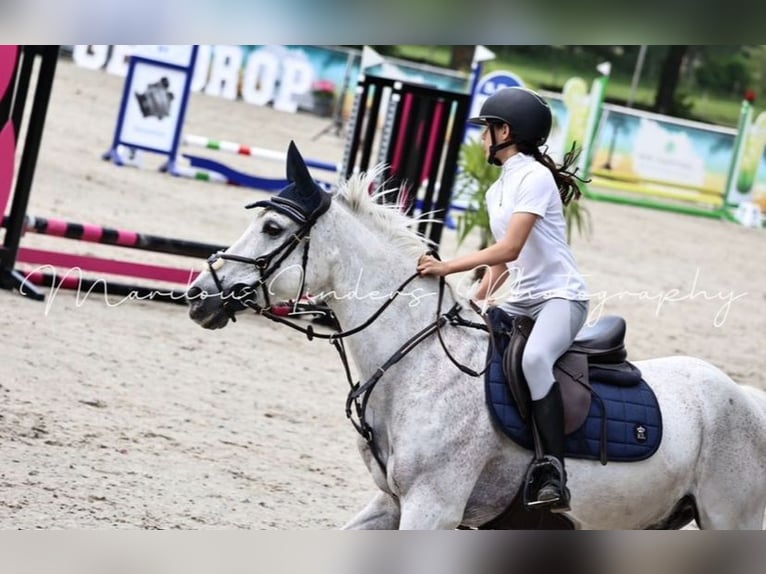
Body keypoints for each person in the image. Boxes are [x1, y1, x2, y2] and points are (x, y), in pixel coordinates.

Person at [417, 86, 589, 512]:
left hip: (561, 298)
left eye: (486, 129)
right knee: (470, 339)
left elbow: (510, 248)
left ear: (505, 131)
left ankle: (551, 469)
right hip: (523, 297)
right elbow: (504, 262)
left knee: (534, 360)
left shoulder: (534, 177)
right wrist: (477, 298)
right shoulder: (500, 189)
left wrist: (446, 266)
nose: (481, 138)